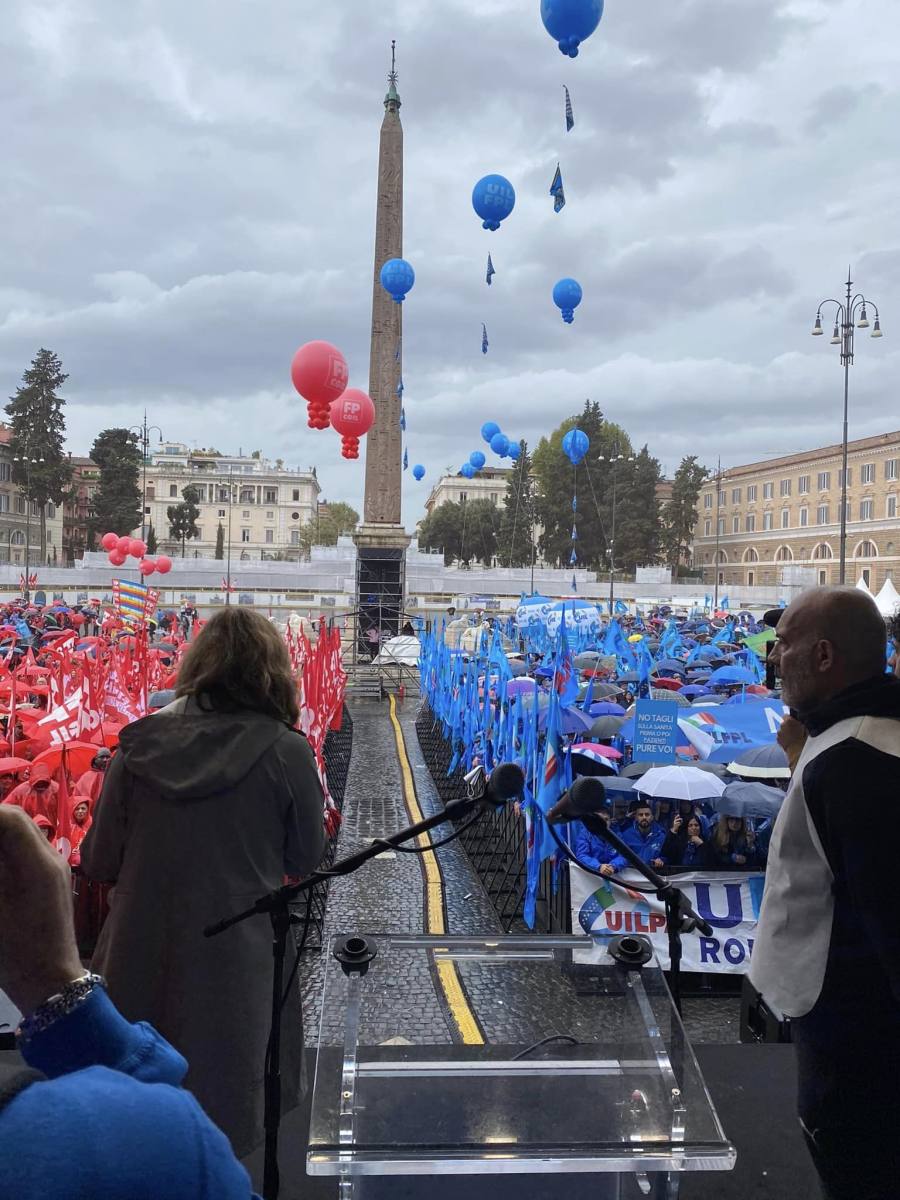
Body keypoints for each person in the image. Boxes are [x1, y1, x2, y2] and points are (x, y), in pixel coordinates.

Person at [82, 607, 326, 1157]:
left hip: (139, 954)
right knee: (224, 1124)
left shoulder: (137, 746)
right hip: (236, 964)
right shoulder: (288, 751)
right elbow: (306, 857)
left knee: (136, 1131)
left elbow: (98, 859)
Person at [0, 805, 260, 1198]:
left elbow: (98, 857)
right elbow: (151, 1140)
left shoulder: (135, 762)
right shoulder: (153, 1136)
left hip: (137, 947)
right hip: (245, 952)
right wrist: (49, 980)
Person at [750, 587, 900, 1198]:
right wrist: (799, 753)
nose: (773, 655)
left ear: (825, 657)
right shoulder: (846, 744)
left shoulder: (853, 767)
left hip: (855, 1048)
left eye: (784, 643)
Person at [619, 801, 667, 869]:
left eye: (647, 814)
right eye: (641, 815)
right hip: (632, 875)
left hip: (654, 875)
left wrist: (661, 859)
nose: (644, 817)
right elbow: (620, 856)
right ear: (635, 817)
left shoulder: (661, 836)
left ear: (652, 817)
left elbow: (666, 855)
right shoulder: (626, 835)